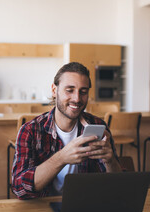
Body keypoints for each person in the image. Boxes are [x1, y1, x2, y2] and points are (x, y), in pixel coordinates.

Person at [12, 62, 122, 200]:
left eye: (83, 92)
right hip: (43, 209)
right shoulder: (30, 131)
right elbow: (19, 189)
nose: (77, 99)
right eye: (69, 90)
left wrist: (110, 160)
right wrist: (62, 158)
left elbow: (117, 186)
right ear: (54, 90)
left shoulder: (98, 126)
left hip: (86, 205)